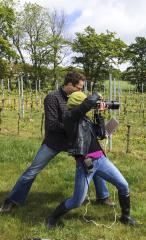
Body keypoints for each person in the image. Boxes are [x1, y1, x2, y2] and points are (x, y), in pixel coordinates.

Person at [0, 72, 113, 213]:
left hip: (76, 140)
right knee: (33, 170)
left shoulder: (78, 97)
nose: (81, 91)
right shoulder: (53, 98)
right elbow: (52, 124)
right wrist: (71, 127)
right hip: (55, 141)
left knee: (94, 162)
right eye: (79, 87)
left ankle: (103, 196)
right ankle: (12, 200)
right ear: (69, 84)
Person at [46, 91, 136, 229]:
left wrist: (98, 115)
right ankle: (52, 217)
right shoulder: (69, 117)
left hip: (101, 160)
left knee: (123, 185)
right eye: (87, 103)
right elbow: (85, 105)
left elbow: (100, 134)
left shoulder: (85, 118)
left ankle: (126, 217)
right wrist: (96, 95)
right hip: (86, 164)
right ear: (79, 104)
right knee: (77, 201)